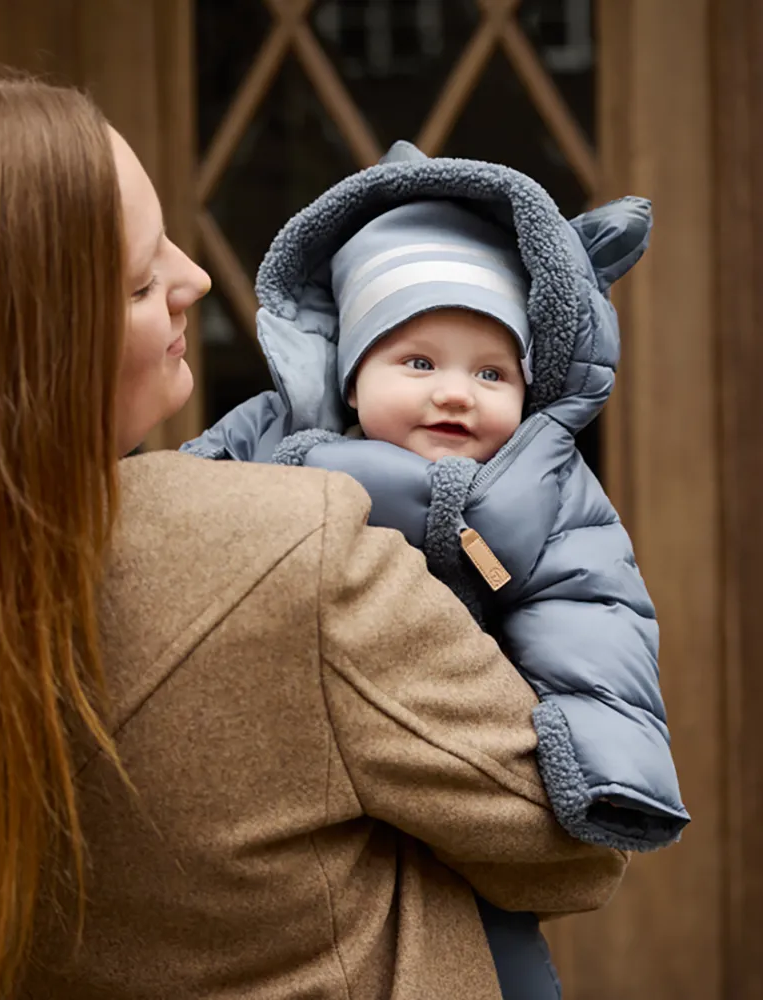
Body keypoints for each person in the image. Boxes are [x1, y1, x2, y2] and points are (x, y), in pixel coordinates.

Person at [0, 72, 628, 1000]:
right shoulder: (291, 544)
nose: (196, 278)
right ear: (37, 341)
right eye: (144, 278)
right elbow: (568, 847)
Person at [184, 143, 690, 999]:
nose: (456, 393)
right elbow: (181, 514)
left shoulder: (539, 482)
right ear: (350, 372)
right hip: (287, 762)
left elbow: (595, 608)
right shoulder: (273, 438)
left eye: (491, 372)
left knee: (497, 961)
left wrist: (609, 767)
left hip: (459, 750)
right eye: (419, 363)